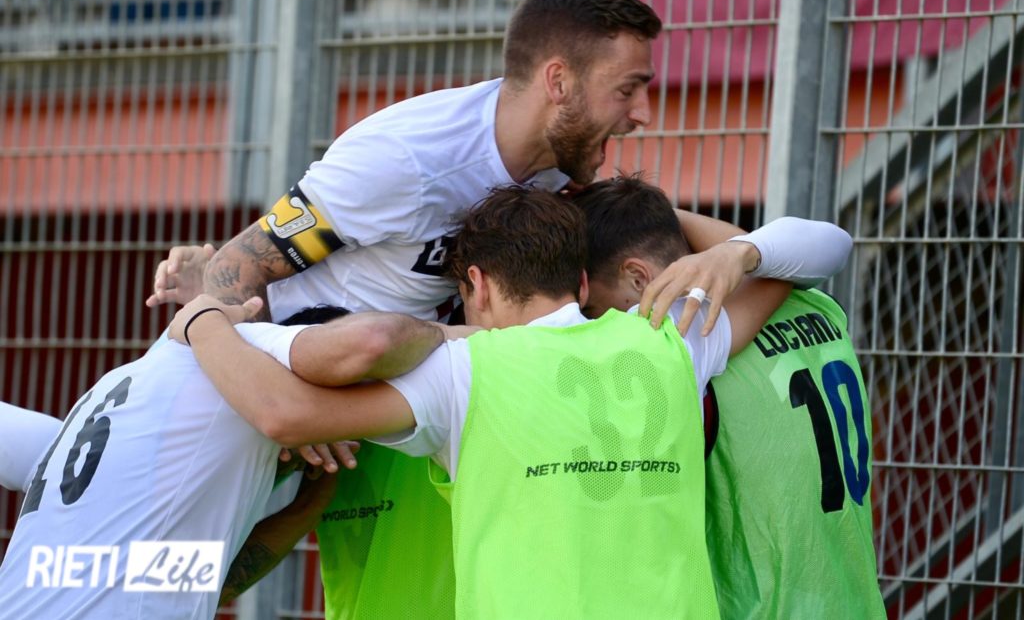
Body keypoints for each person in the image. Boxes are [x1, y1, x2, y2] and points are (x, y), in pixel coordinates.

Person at [143, 0, 741, 619]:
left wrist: (739, 253)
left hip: (386, 397)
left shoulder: (555, 173)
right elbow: (236, 271)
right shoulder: (405, 158)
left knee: (211, 584)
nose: (642, 113)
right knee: (155, 574)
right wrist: (291, 382)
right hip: (274, 383)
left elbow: (662, 229)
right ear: (559, 81)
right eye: (627, 89)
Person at [167, 185, 853, 618]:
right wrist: (739, 254)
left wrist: (204, 315)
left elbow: (283, 414)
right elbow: (818, 252)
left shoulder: (461, 373)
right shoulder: (668, 342)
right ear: (579, 281)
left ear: (477, 284)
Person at [0, 306, 456, 619]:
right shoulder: (249, 349)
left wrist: (312, 497)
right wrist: (472, 338)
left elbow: (201, 581)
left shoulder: (110, 422)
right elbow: (371, 342)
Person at [571, 176, 886, 619]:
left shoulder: (682, 346)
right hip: (855, 602)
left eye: (592, 307)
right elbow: (797, 247)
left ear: (638, 278)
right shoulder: (810, 301)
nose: (591, 320)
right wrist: (661, 216)